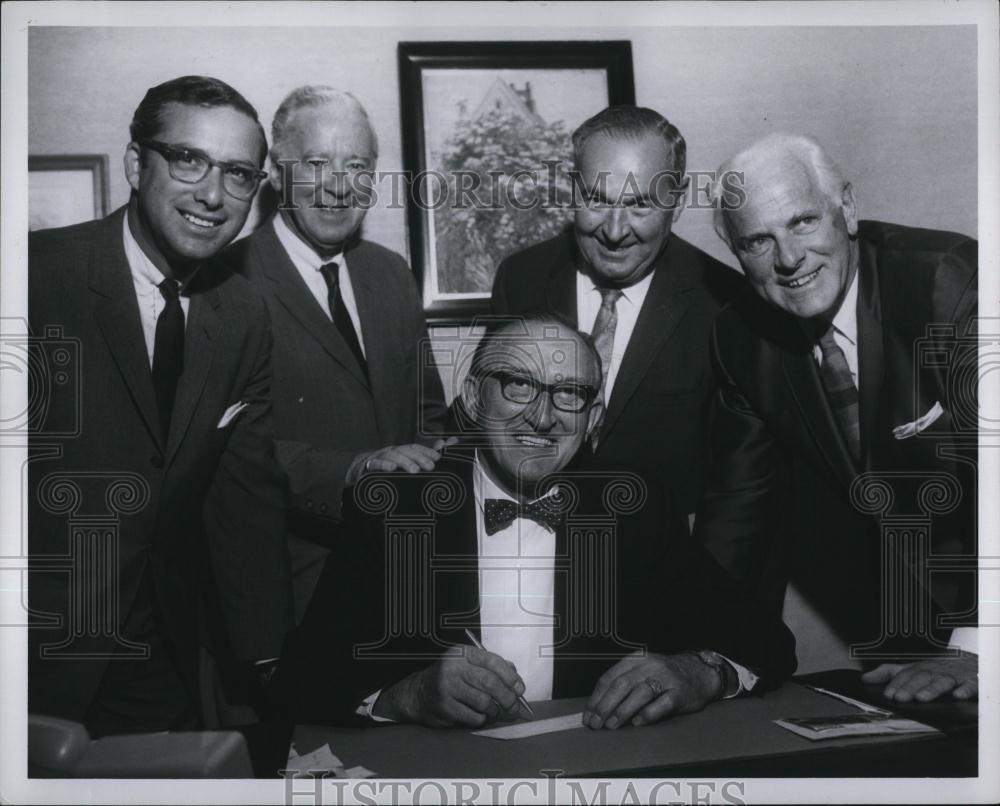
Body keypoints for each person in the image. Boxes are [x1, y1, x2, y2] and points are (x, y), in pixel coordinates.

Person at [278, 315, 793, 729]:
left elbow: (767, 643)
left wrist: (698, 673)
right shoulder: (396, 506)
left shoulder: (635, 507)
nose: (543, 417)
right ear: (474, 398)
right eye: (519, 384)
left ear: (593, 419)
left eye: (569, 393)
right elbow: (300, 679)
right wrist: (410, 695)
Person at [28, 75, 293, 737]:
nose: (213, 195)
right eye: (188, 160)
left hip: (159, 657)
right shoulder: (32, 278)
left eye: (237, 173)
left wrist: (273, 665)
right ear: (135, 163)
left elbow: (245, 501)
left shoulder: (244, 314)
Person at [699, 132, 978, 701]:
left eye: (803, 222)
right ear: (735, 252)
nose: (789, 259)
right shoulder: (739, 339)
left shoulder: (945, 281)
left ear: (847, 208)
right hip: (913, 625)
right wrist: (701, 657)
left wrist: (980, 646)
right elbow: (737, 514)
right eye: (758, 240)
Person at [221, 86, 449, 620]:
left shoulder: (390, 273)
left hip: (410, 579)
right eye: (317, 163)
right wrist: (351, 470)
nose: (340, 186)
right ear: (277, 174)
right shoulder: (227, 282)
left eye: (358, 166)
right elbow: (228, 456)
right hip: (292, 590)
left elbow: (428, 413)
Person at [491, 106, 743, 525]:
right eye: (596, 200)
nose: (614, 231)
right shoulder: (520, 279)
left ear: (677, 202)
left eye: (640, 205)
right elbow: (491, 414)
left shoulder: (724, 300)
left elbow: (740, 479)